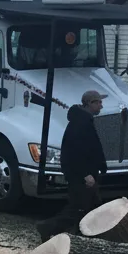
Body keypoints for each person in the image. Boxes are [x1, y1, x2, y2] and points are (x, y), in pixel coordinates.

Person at [38, 89, 108, 237]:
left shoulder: (85, 120)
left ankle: (82, 236)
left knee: (93, 206)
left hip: (87, 173)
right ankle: (47, 228)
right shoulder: (80, 124)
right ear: (90, 103)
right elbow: (76, 153)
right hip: (79, 174)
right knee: (77, 208)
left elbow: (92, 148)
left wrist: (101, 165)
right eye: (99, 102)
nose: (101, 106)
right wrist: (86, 174)